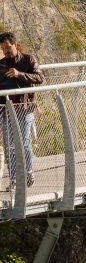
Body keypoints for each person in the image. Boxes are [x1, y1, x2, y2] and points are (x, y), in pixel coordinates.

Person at [0, 32, 43, 190]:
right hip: (6, 109)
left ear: (15, 44)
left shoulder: (28, 59)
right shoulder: (1, 64)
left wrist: (19, 74)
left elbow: (39, 78)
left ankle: (29, 172)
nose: (6, 51)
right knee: (10, 145)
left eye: (8, 47)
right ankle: (14, 179)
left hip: (25, 108)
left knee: (24, 143)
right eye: (3, 48)